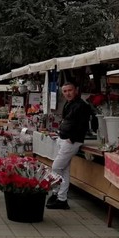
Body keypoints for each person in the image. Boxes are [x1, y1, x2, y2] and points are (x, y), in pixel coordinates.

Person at [48, 81, 92, 210]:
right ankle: (61, 198)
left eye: (70, 90)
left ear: (76, 90)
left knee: (56, 167)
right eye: (65, 91)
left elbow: (82, 125)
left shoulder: (82, 106)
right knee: (65, 170)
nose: (68, 93)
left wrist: (72, 139)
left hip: (71, 140)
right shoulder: (69, 104)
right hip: (64, 138)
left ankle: (57, 193)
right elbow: (67, 121)